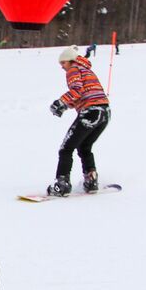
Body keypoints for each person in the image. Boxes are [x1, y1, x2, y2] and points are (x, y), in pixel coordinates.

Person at [47, 45, 110, 196]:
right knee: (84, 147)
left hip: (90, 112)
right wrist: (66, 105)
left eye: (63, 63)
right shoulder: (86, 69)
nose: (62, 67)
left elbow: (77, 90)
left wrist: (60, 102)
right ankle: (91, 180)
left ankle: (62, 184)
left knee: (66, 148)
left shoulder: (73, 69)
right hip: (104, 113)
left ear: (70, 61)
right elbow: (84, 93)